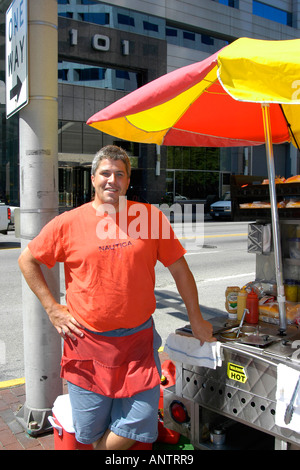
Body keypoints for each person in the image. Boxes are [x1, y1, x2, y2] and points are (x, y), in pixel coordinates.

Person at [18, 145, 215, 450]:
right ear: (94, 178)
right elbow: (27, 260)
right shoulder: (68, 223)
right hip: (86, 345)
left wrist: (196, 318)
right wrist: (52, 307)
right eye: (106, 173)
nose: (113, 180)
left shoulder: (149, 217)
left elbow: (180, 270)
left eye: (119, 174)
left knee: (140, 422)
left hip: (138, 343)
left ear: (128, 179)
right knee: (89, 430)